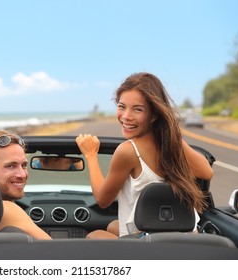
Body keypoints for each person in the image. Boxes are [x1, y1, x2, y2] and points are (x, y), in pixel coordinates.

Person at [76, 72, 214, 238]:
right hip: (186, 237)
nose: (126, 116)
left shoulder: (128, 150)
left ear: (154, 114)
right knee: (114, 225)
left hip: (149, 244)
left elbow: (103, 200)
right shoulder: (172, 142)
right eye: (121, 106)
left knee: (94, 235)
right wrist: (177, 140)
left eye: (138, 109)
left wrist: (90, 155)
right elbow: (207, 172)